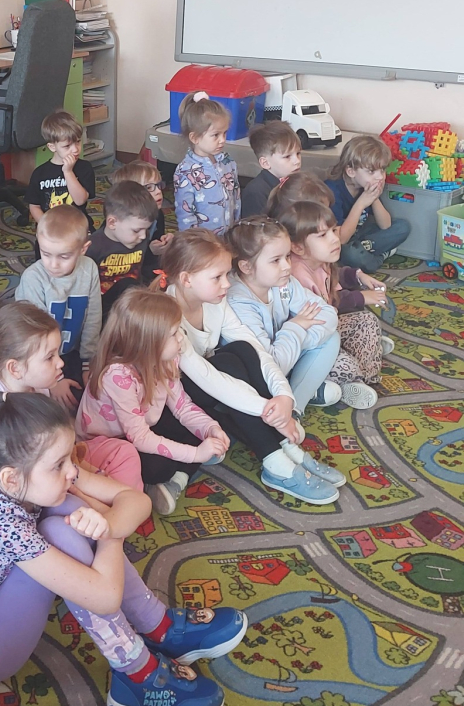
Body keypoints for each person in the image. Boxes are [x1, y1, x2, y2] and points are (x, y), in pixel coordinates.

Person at [0, 392, 245, 706]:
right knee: (63, 531)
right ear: (10, 477)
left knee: (70, 508)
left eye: (68, 459)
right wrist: (109, 530)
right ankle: (135, 676)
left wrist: (107, 520)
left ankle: (159, 627)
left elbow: (135, 500)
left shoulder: (26, 475)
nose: (71, 471)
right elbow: (106, 599)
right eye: (58, 465)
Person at [159, 231, 340, 504]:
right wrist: (272, 413)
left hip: (208, 394)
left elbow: (254, 348)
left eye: (227, 275)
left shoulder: (216, 302)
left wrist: (284, 397)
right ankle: (276, 460)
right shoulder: (169, 316)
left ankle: (285, 449)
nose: (227, 284)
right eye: (217, 277)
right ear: (186, 280)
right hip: (173, 405)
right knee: (227, 363)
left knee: (241, 351)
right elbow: (207, 378)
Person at [0, 301, 140, 485]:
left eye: (57, 353)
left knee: (124, 452)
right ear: (15, 368)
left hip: (48, 468)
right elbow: (20, 482)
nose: (60, 363)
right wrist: (88, 483)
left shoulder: (36, 387)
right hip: (18, 488)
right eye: (50, 357)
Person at [78, 288, 229, 514]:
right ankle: (176, 474)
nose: (182, 337)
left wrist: (210, 428)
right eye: (174, 333)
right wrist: (196, 454)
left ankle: (178, 479)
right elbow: (139, 438)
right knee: (159, 467)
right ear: (148, 342)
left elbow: (182, 406)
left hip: (141, 426)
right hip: (108, 445)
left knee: (212, 420)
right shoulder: (117, 375)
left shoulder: (167, 358)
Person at [276, 199, 388, 410]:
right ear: (297, 247)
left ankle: (364, 379)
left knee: (366, 321)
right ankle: (347, 378)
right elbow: (327, 308)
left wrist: (358, 276)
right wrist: (362, 297)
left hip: (327, 330)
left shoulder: (320, 261)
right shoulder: (296, 274)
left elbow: (338, 277)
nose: (335, 239)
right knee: (346, 366)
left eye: (334, 231)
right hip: (307, 346)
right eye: (322, 235)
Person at [226, 217, 343, 415]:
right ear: (246, 267)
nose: (287, 266)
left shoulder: (283, 283)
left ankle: (294, 408)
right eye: (276, 260)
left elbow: (328, 314)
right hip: (257, 377)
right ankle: (300, 393)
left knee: (332, 338)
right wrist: (295, 327)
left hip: (283, 355)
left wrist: (299, 339)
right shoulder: (238, 302)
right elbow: (269, 365)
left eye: (287, 256)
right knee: (327, 347)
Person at [15, 205, 101, 400]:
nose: (53, 264)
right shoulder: (33, 278)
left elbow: (93, 317)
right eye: (46, 254)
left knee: (94, 394)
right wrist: (56, 379)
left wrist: (89, 362)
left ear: (83, 249)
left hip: (73, 352)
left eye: (63, 256)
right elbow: (34, 336)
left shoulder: (89, 269)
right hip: (39, 357)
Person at [325, 135, 411, 273]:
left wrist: (374, 198)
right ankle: (378, 257)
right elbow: (341, 239)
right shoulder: (332, 191)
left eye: (382, 170)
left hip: (361, 236)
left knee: (402, 227)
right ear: (351, 171)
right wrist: (361, 203)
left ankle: (365, 251)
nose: (380, 177)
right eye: (371, 172)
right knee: (349, 254)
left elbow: (386, 225)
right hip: (341, 240)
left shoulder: (364, 185)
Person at [87, 181, 158, 317]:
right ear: (112, 222)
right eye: (136, 230)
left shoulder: (140, 239)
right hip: (103, 309)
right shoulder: (92, 246)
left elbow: (145, 270)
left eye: (146, 229)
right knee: (127, 284)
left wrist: (155, 254)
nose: (143, 236)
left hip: (133, 304)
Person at [173, 93, 239, 234]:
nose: (222, 140)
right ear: (195, 138)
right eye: (215, 135)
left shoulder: (228, 162)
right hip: (203, 243)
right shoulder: (185, 171)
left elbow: (236, 199)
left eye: (224, 133)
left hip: (229, 237)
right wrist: (194, 242)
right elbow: (185, 214)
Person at [25, 110, 96, 227]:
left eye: (78, 142)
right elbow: (34, 206)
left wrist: (68, 172)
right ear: (52, 147)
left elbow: (80, 200)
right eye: (67, 146)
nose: (75, 149)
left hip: (77, 225)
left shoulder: (84, 168)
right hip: (51, 227)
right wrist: (46, 225)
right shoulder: (40, 173)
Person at [111, 160, 169, 282]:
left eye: (158, 185)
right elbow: (123, 261)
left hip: (145, 265)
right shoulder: (120, 224)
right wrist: (149, 251)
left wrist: (163, 244)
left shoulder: (158, 215)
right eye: (149, 187)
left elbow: (152, 247)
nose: (158, 191)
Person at [242, 122, 302, 217]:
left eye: (298, 153)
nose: (297, 161)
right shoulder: (256, 193)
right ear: (265, 163)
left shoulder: (298, 183)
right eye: (287, 156)